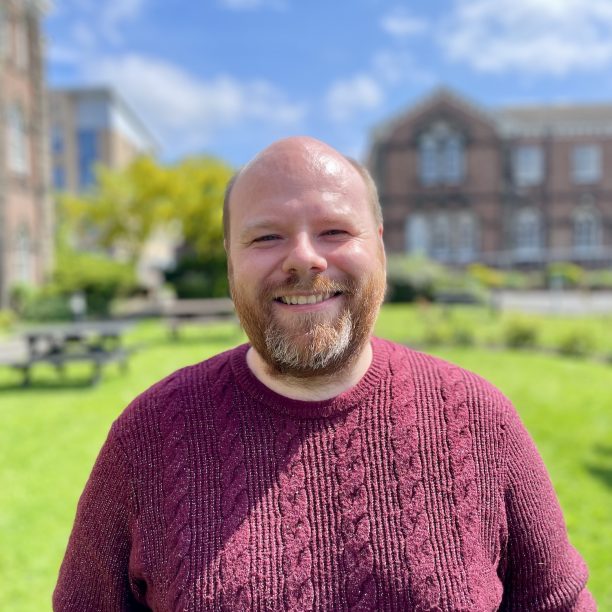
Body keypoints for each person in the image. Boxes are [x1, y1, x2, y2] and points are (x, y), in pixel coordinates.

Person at [54, 137, 594, 611]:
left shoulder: (478, 419)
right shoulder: (150, 434)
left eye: (335, 230)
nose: (305, 258)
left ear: (379, 246)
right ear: (229, 259)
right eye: (266, 237)